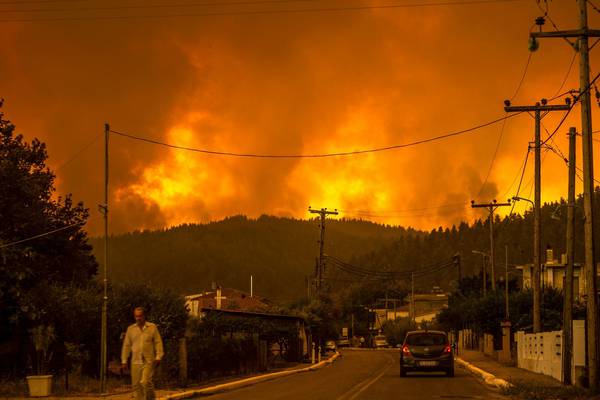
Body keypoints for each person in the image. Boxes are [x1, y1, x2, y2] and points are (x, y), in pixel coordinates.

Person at [121, 307, 164, 400]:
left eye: (140, 316)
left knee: (145, 381)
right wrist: (124, 360)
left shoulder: (152, 327)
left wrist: (158, 356)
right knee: (136, 385)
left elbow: (158, 342)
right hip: (135, 360)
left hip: (148, 360)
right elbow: (126, 345)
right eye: (136, 316)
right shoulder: (131, 329)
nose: (138, 318)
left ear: (144, 316)